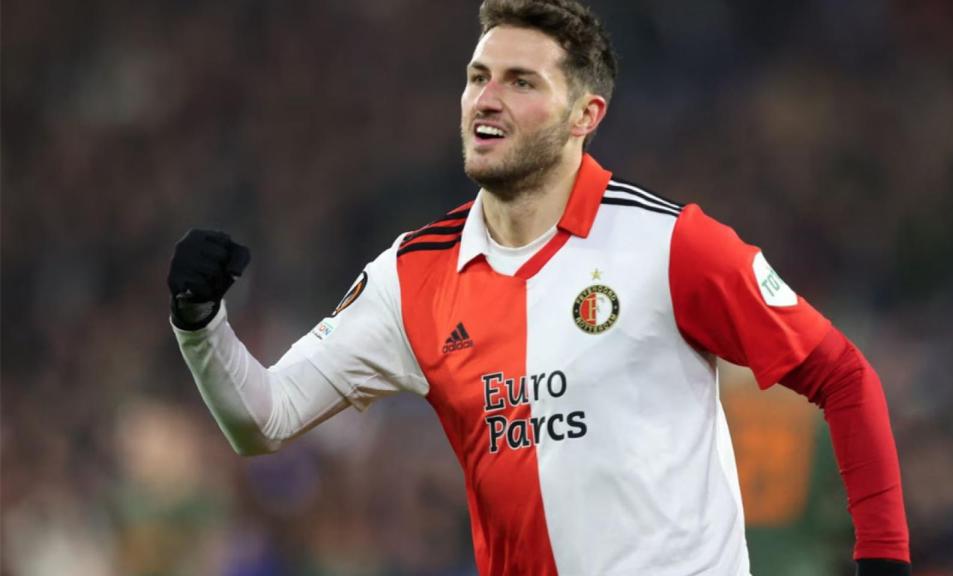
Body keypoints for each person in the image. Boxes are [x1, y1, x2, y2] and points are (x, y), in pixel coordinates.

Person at [167, 1, 911, 574]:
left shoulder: (672, 245)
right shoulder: (412, 274)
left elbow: (844, 377)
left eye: (521, 81)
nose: (486, 99)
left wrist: (882, 562)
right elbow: (264, 419)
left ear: (585, 115)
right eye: (477, 77)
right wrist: (200, 323)